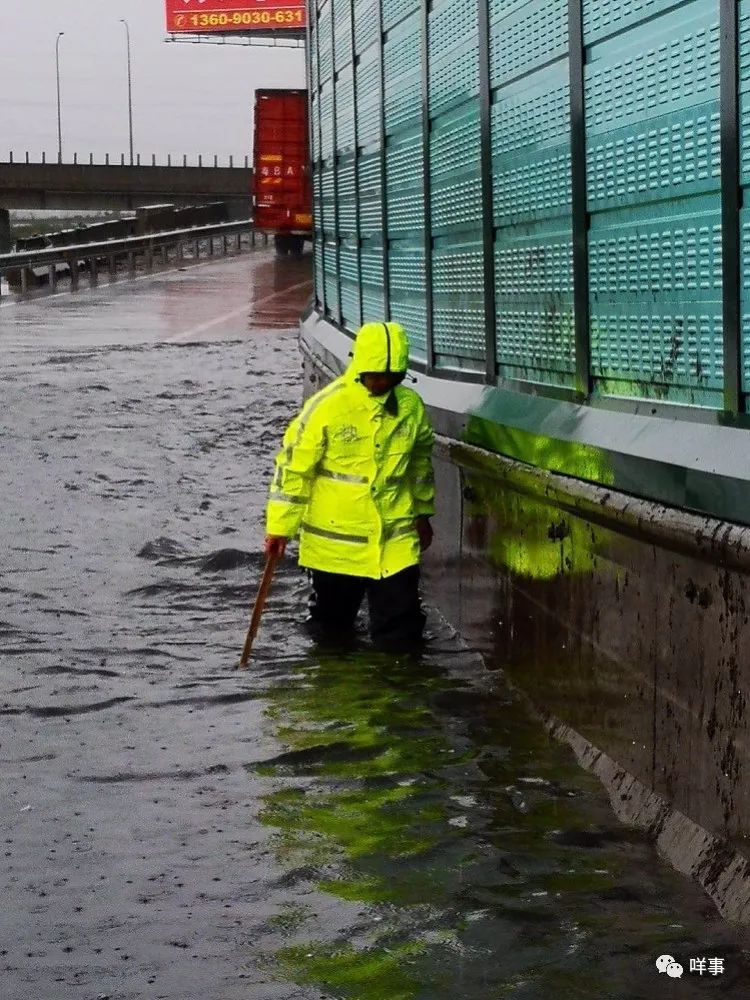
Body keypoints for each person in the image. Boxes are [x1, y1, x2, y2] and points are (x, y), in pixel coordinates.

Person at [264, 320, 435, 647]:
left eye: (390, 377)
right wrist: (279, 529)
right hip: (336, 550)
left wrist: (423, 514)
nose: (381, 383)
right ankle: (336, 691)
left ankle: (396, 691)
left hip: (393, 544)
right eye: (374, 376)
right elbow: (294, 469)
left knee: (402, 635)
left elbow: (419, 464)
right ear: (359, 369)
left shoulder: (410, 408)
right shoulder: (328, 407)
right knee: (333, 633)